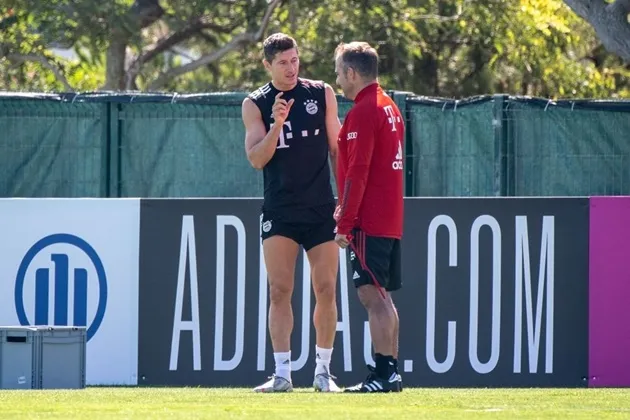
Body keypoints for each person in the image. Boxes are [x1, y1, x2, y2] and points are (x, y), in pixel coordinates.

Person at [242, 32, 342, 393]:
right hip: (281, 210)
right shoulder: (255, 103)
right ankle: (282, 373)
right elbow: (256, 159)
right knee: (280, 290)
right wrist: (277, 124)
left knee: (326, 288)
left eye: (295, 60)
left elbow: (337, 148)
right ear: (267, 64)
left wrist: (344, 198)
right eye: (282, 62)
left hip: (320, 208)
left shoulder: (321, 93)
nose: (291, 68)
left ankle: (323, 372)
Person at [332, 41, 405, 393]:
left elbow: (357, 172)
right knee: (382, 296)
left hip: (369, 220)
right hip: (388, 217)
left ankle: (382, 373)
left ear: (352, 72)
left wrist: (345, 221)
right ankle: (390, 372)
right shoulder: (390, 106)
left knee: (371, 296)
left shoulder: (363, 111)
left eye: (339, 72)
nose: (337, 80)